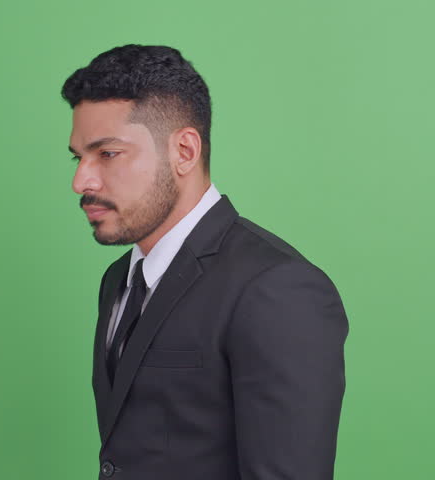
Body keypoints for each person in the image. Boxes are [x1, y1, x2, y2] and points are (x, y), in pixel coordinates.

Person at [61, 44, 349, 480]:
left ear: (184, 151)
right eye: (78, 157)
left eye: (107, 153)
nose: (81, 180)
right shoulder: (118, 280)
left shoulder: (276, 289)